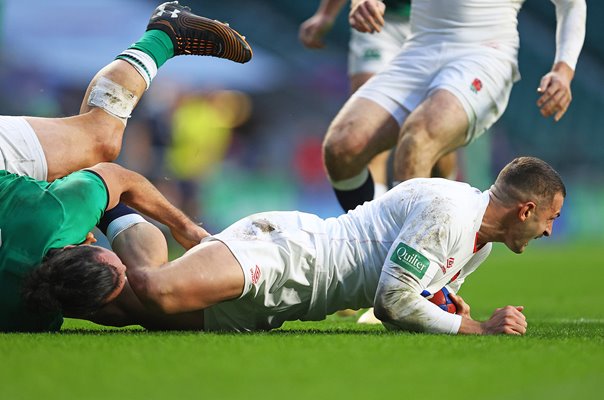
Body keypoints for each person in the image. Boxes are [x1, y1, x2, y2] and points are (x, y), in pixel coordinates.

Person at [25, 157, 565, 335]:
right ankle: (86, 218)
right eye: (549, 219)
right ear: (527, 209)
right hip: (289, 256)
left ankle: (59, 266)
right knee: (158, 292)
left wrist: (451, 304)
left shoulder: (479, 246)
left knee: (132, 311)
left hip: (290, 300)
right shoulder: (452, 211)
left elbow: (422, 294)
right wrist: (478, 328)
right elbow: (393, 302)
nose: (548, 232)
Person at [322, 0, 585, 212]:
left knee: (418, 138)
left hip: (483, 53)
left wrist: (563, 69)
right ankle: (376, 241)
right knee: (342, 147)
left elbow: (572, 4)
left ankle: (409, 267)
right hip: (418, 50)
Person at [0, 1, 252, 183]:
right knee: (88, 157)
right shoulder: (208, 118)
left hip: (171, 166)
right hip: (170, 165)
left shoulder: (208, 117)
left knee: (97, 141)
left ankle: (164, 36)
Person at [0, 162, 208, 332]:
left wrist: (183, 227)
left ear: (72, 247)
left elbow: (116, 176)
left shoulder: (62, 212)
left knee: (102, 141)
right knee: (135, 296)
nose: (127, 269)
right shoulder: (30, 321)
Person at [299, 0, 457, 200]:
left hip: (439, 25)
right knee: (366, 140)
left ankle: (446, 209)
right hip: (379, 23)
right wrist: (326, 14)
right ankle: (377, 226)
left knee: (436, 141)